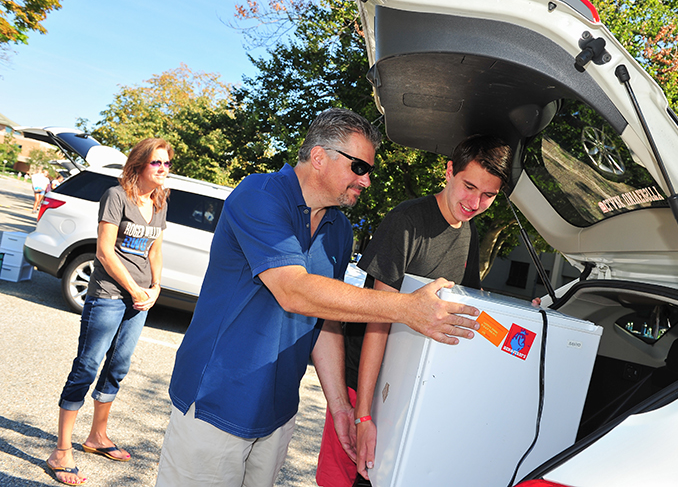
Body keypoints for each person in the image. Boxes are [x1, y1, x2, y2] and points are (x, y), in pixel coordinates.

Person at [155, 108, 480, 487]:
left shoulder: (338, 229)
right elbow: (294, 291)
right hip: (215, 404)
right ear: (319, 156)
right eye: (359, 167)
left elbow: (325, 318)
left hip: (277, 413)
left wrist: (340, 405)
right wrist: (408, 308)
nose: (368, 180)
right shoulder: (258, 195)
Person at [315, 134, 514, 487]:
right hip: (361, 385)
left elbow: (466, 306)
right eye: (469, 187)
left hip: (406, 389)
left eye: (488, 195)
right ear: (449, 170)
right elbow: (380, 316)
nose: (474, 202)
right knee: (340, 481)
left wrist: (525, 316)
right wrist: (362, 416)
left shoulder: (468, 232)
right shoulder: (405, 221)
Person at [46, 138, 173, 485]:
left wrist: (155, 287)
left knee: (118, 365)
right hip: (109, 294)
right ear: (139, 165)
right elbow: (104, 251)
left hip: (140, 299)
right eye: (156, 163)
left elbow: (156, 250)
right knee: (87, 365)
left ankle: (97, 437)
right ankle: (61, 451)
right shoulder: (117, 196)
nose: (163, 169)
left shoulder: (160, 201)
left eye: (166, 164)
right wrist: (133, 289)